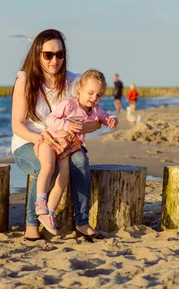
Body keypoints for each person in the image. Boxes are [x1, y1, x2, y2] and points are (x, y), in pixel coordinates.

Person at [11, 29, 103, 242]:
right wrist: (42, 141)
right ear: (37, 54)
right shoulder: (25, 80)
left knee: (80, 161)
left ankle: (81, 222)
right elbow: (17, 125)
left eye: (59, 54)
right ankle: (32, 223)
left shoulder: (74, 82)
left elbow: (95, 120)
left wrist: (78, 129)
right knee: (44, 166)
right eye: (48, 55)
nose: (55, 60)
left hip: (65, 143)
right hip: (29, 141)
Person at [34, 69, 118, 235]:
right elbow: (50, 119)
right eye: (90, 93)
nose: (94, 98)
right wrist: (67, 125)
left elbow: (106, 117)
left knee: (63, 179)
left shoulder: (96, 110)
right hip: (50, 141)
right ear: (80, 88)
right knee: (48, 167)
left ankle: (49, 213)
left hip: (67, 148)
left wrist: (112, 120)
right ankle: (40, 201)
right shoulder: (69, 104)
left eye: (99, 95)